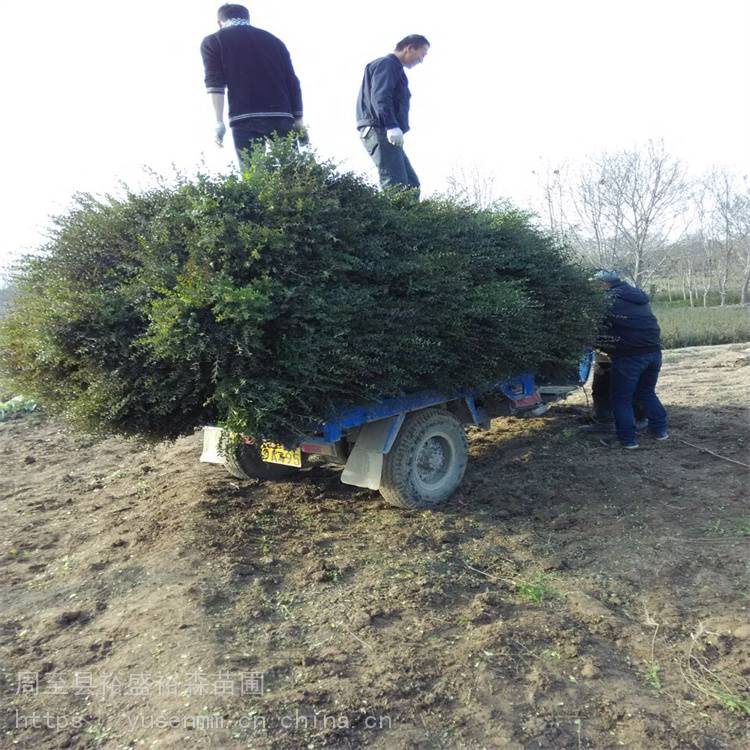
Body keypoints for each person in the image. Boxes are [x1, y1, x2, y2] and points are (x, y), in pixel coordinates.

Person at [200, 4, 305, 168]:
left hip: (245, 116)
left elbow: (215, 84)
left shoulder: (214, 41)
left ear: (220, 22)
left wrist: (218, 122)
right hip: (282, 115)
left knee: (254, 177)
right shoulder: (274, 41)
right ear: (248, 19)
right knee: (293, 174)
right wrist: (299, 119)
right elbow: (293, 82)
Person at [593, 270, 668, 449]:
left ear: (604, 284)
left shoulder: (608, 299)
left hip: (629, 356)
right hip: (654, 353)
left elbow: (599, 326)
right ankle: (661, 431)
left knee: (621, 398)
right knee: (647, 392)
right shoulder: (637, 296)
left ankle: (628, 440)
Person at [356, 35, 430, 195]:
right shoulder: (387, 64)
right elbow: (381, 96)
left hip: (386, 131)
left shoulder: (397, 70)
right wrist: (391, 125)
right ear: (409, 48)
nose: (421, 60)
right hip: (379, 128)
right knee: (396, 185)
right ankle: (394, 220)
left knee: (411, 184)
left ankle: (410, 219)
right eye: (422, 54)